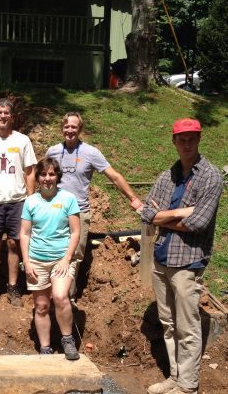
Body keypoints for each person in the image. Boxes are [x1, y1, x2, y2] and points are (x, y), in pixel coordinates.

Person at [142, 118, 223, 394]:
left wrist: (163, 216)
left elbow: (198, 222)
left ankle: (188, 385)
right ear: (174, 142)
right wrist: (181, 212)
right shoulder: (168, 175)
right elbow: (146, 213)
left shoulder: (211, 176)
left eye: (191, 138)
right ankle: (175, 377)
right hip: (161, 258)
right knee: (168, 323)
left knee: (187, 327)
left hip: (188, 261)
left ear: (199, 139)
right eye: (181, 139)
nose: (186, 144)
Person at [45, 111, 143, 304]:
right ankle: (52, 294)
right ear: (61, 128)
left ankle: (67, 297)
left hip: (79, 212)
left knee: (74, 254)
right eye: (66, 126)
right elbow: (43, 177)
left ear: (79, 129)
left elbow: (113, 176)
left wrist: (134, 199)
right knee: (52, 251)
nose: (70, 130)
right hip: (55, 210)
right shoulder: (53, 151)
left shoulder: (91, 153)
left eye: (74, 127)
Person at [0, 98, 37, 308]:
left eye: (6, 113)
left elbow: (30, 172)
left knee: (14, 243)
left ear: (12, 117)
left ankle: (13, 286)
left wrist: (30, 199)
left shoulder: (22, 141)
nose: (3, 116)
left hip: (17, 201)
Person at [20, 158, 81, 360]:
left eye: (52, 174)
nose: (48, 178)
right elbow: (25, 234)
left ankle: (67, 339)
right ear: (37, 177)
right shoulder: (31, 202)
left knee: (61, 296)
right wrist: (27, 262)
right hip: (36, 260)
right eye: (43, 174)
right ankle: (45, 348)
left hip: (61, 259)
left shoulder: (68, 199)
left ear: (58, 176)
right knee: (41, 306)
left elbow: (75, 232)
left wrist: (67, 258)